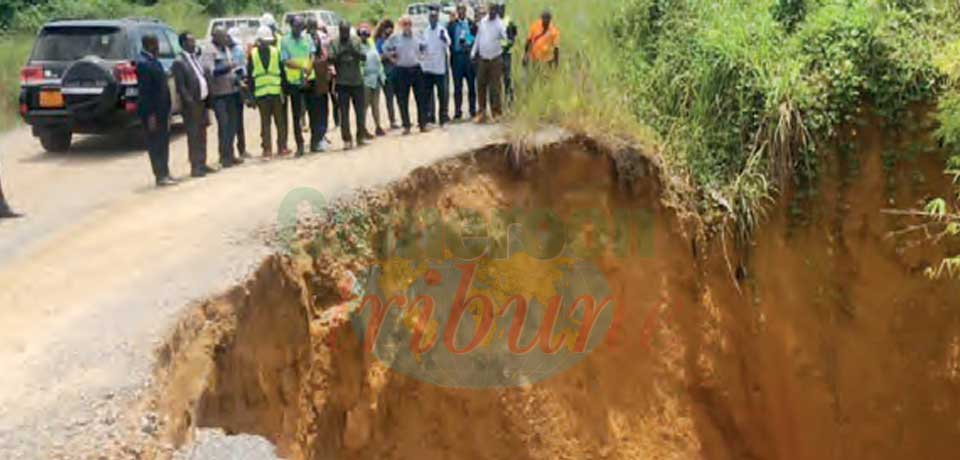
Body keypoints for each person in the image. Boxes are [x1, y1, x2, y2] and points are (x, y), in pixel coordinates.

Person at [172, 32, 215, 178]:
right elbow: (181, 87)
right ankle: (195, 167)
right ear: (183, 43)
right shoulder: (179, 62)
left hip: (202, 102)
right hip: (192, 105)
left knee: (202, 134)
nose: (194, 43)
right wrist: (190, 102)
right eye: (191, 41)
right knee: (193, 135)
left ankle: (202, 163)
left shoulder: (195, 58)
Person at [136, 34, 176, 186]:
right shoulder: (143, 63)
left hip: (162, 110)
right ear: (150, 44)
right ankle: (160, 175)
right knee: (155, 144)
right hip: (152, 113)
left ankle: (165, 171)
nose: (158, 47)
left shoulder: (154, 60)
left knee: (164, 142)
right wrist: (150, 115)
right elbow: (145, 93)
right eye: (156, 44)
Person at [203, 27, 244, 168]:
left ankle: (231, 154)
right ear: (215, 36)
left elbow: (232, 69)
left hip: (231, 91)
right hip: (218, 94)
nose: (226, 38)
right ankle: (224, 156)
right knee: (224, 125)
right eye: (223, 36)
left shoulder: (225, 49)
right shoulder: (209, 51)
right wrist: (228, 66)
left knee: (233, 124)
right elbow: (211, 71)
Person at [248, 26, 288, 158]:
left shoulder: (276, 52)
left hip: (275, 91)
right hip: (261, 94)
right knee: (265, 123)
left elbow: (282, 72)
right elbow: (250, 77)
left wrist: (284, 89)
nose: (267, 43)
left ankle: (281, 147)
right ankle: (267, 149)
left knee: (280, 121)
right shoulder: (252, 55)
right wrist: (251, 96)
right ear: (259, 40)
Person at [385, 16, 428, 134]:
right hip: (402, 70)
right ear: (401, 25)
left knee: (421, 98)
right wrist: (392, 57)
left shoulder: (417, 35)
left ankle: (422, 124)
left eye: (409, 23)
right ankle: (406, 125)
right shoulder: (395, 37)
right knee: (402, 99)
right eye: (404, 24)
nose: (407, 26)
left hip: (416, 68)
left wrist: (422, 57)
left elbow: (425, 46)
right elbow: (385, 48)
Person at [281, 16, 316, 156]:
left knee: (313, 112)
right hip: (294, 82)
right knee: (296, 116)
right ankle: (300, 145)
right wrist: (302, 66)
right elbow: (285, 60)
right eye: (296, 27)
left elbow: (312, 54)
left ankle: (314, 142)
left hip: (309, 79)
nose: (298, 29)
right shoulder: (285, 40)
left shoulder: (307, 38)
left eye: (301, 27)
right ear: (291, 26)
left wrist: (309, 67)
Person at [329, 21, 368, 149]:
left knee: (360, 112)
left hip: (357, 81)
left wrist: (352, 51)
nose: (344, 34)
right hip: (342, 83)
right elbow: (330, 59)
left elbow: (364, 57)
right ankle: (347, 139)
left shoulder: (356, 40)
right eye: (342, 31)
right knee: (344, 113)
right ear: (339, 30)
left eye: (346, 31)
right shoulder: (334, 42)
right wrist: (341, 53)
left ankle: (360, 137)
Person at [471, 3, 507, 123]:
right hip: (483, 58)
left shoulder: (499, 24)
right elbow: (478, 38)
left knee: (495, 87)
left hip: (495, 59)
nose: (492, 12)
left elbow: (505, 36)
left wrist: (508, 36)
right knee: (480, 85)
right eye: (490, 10)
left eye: (494, 10)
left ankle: (496, 113)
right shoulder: (483, 22)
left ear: (496, 11)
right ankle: (482, 112)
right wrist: (473, 52)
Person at [420, 6, 451, 127]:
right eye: (431, 17)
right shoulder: (425, 31)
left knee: (442, 95)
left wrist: (443, 38)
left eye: (434, 17)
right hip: (428, 68)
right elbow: (422, 46)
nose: (432, 19)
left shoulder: (442, 30)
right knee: (428, 95)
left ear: (437, 18)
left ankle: (443, 119)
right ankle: (430, 117)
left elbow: (448, 43)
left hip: (439, 68)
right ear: (429, 19)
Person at [447, 3, 476, 120]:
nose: (461, 12)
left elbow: (475, 38)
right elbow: (448, 41)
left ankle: (472, 110)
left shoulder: (470, 23)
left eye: (463, 10)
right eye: (459, 10)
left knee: (471, 86)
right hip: (457, 57)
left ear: (466, 11)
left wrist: (468, 43)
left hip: (468, 57)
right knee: (457, 87)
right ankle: (458, 111)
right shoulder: (451, 25)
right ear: (457, 12)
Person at [359, 23, 386, 137]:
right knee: (364, 106)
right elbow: (359, 65)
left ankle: (378, 126)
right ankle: (363, 128)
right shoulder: (358, 47)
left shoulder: (372, 44)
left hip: (376, 78)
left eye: (366, 34)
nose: (364, 36)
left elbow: (378, 61)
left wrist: (382, 76)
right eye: (362, 34)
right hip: (365, 79)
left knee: (375, 104)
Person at [227, 28, 250, 159]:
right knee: (230, 122)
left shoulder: (238, 50)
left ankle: (242, 149)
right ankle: (230, 153)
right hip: (228, 89)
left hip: (238, 89)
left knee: (239, 121)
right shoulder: (223, 51)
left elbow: (243, 69)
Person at [310, 26, 333, 152]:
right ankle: (316, 140)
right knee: (315, 117)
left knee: (323, 115)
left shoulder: (323, 55)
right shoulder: (310, 57)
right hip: (313, 90)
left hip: (323, 90)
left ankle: (321, 137)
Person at [375, 19, 399, 130]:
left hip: (396, 70)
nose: (391, 31)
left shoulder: (393, 40)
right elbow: (378, 57)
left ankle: (402, 118)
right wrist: (389, 55)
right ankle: (392, 120)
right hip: (385, 73)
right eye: (390, 28)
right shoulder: (379, 41)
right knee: (389, 98)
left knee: (400, 96)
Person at [497, 2, 518, 104]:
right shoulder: (494, 21)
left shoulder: (509, 21)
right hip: (496, 53)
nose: (501, 10)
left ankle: (510, 101)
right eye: (499, 8)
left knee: (507, 78)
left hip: (506, 53)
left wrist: (508, 46)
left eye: (502, 8)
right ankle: (498, 103)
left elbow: (513, 37)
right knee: (496, 80)